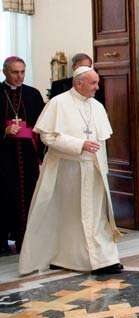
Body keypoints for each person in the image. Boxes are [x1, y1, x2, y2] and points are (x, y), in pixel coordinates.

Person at [19, 67, 122, 275]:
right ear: (79, 83)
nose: (97, 87)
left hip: (93, 170)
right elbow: (48, 137)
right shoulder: (59, 103)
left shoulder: (97, 106)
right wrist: (79, 144)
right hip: (67, 170)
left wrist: (103, 168)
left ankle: (104, 258)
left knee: (96, 216)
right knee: (70, 216)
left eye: (97, 83)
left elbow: (102, 140)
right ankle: (65, 257)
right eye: (93, 83)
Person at [1, 56, 44, 255]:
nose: (19, 76)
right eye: (14, 72)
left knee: (29, 194)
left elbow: (43, 125)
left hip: (28, 156)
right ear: (4, 72)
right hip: (4, 157)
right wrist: (4, 131)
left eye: (22, 72)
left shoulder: (33, 94)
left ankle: (26, 240)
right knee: (5, 196)